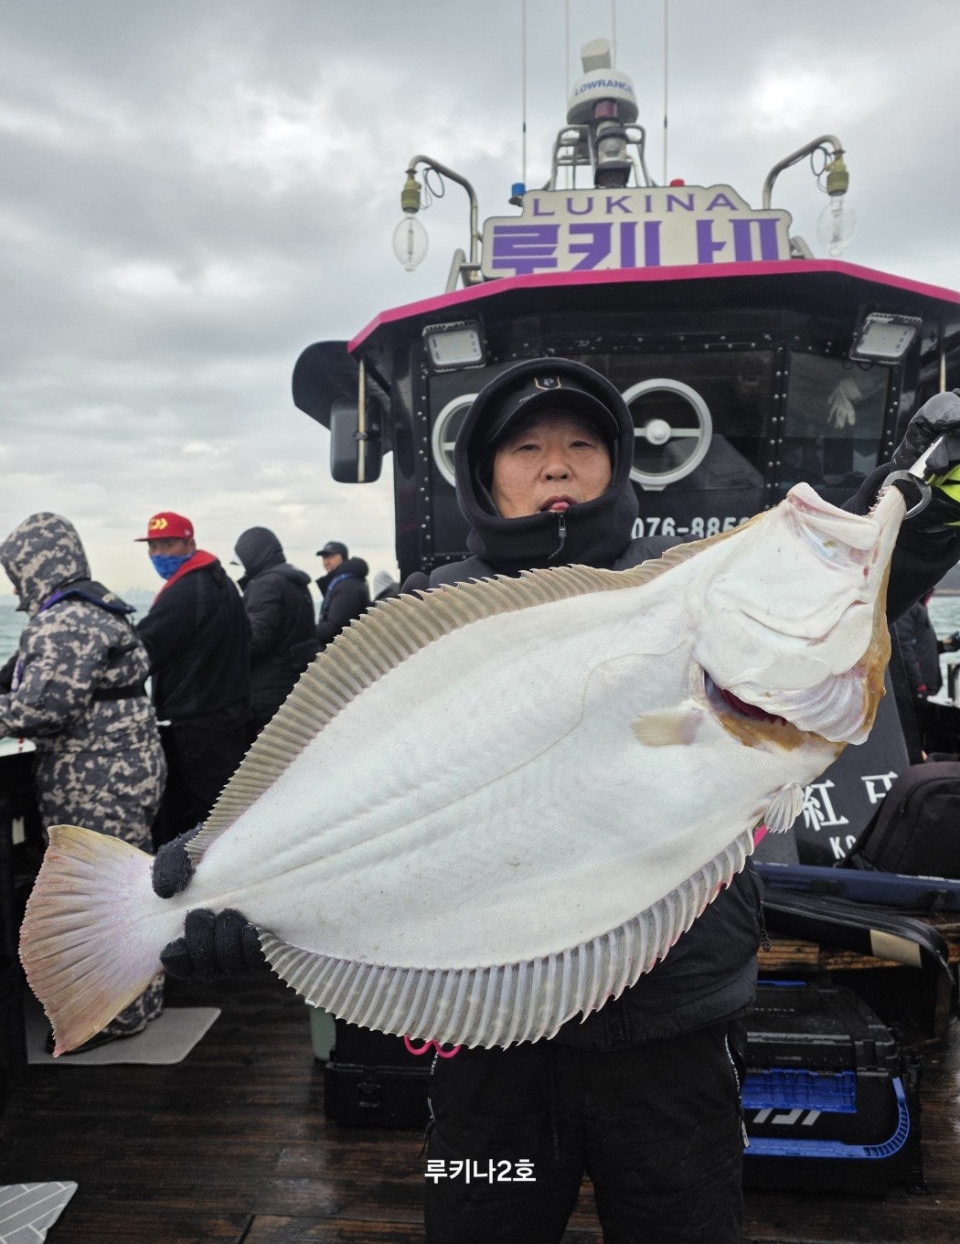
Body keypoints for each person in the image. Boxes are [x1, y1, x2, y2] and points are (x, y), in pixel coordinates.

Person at [151, 363, 960, 1243]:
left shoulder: (682, 583)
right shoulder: (429, 605)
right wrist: (222, 865)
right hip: (486, 1043)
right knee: (479, 1223)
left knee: (684, 1228)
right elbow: (339, 777)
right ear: (485, 472)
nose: (556, 465)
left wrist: (928, 492)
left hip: (673, 1030)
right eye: (527, 446)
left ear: (616, 464)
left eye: (582, 443)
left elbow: (862, 573)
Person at [0, 511, 166, 1049]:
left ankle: (113, 1016)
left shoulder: (63, 619)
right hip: (125, 769)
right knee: (131, 889)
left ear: (30, 565)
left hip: (94, 779)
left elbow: (44, 708)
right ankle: (142, 1001)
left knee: (97, 898)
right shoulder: (99, 606)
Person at [135, 511, 250, 848]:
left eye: (167, 545)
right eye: (153, 547)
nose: (159, 555)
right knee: (229, 813)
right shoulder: (221, 582)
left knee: (205, 822)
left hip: (198, 723)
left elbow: (144, 649)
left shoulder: (186, 591)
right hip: (229, 714)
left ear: (190, 543)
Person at [233, 526, 316, 735]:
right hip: (292, 683)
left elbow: (258, 640)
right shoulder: (295, 581)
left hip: (267, 689)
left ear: (254, 554)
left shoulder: (266, 584)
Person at [315, 539, 370, 647]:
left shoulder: (348, 586)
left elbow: (335, 628)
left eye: (331, 556)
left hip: (346, 654)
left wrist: (305, 631)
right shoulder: (342, 582)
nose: (326, 562)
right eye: (324, 558)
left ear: (342, 557)